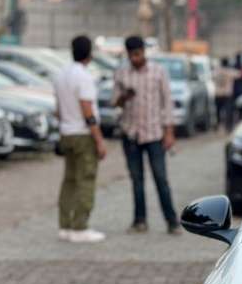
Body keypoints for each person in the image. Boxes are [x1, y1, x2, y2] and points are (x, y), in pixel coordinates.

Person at [113, 35, 180, 233]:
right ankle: (140, 221)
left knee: (161, 178)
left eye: (138, 54)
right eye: (131, 55)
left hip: (154, 134)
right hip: (130, 134)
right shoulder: (121, 73)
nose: (135, 58)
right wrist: (124, 97)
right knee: (136, 180)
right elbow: (114, 102)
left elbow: (167, 102)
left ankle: (172, 221)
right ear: (127, 54)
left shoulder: (158, 72)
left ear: (143, 51)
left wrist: (169, 132)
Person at [53, 34, 107, 243]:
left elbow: (58, 110)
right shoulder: (83, 76)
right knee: (86, 180)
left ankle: (65, 225)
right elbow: (87, 110)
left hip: (66, 133)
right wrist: (99, 140)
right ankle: (80, 226)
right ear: (89, 53)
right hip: (83, 135)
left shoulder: (61, 75)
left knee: (69, 181)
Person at [213, 56, 237, 131]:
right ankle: (228, 127)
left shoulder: (216, 71)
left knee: (217, 111)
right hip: (227, 94)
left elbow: (212, 77)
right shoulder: (230, 71)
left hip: (217, 94)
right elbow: (239, 75)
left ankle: (217, 125)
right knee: (228, 112)